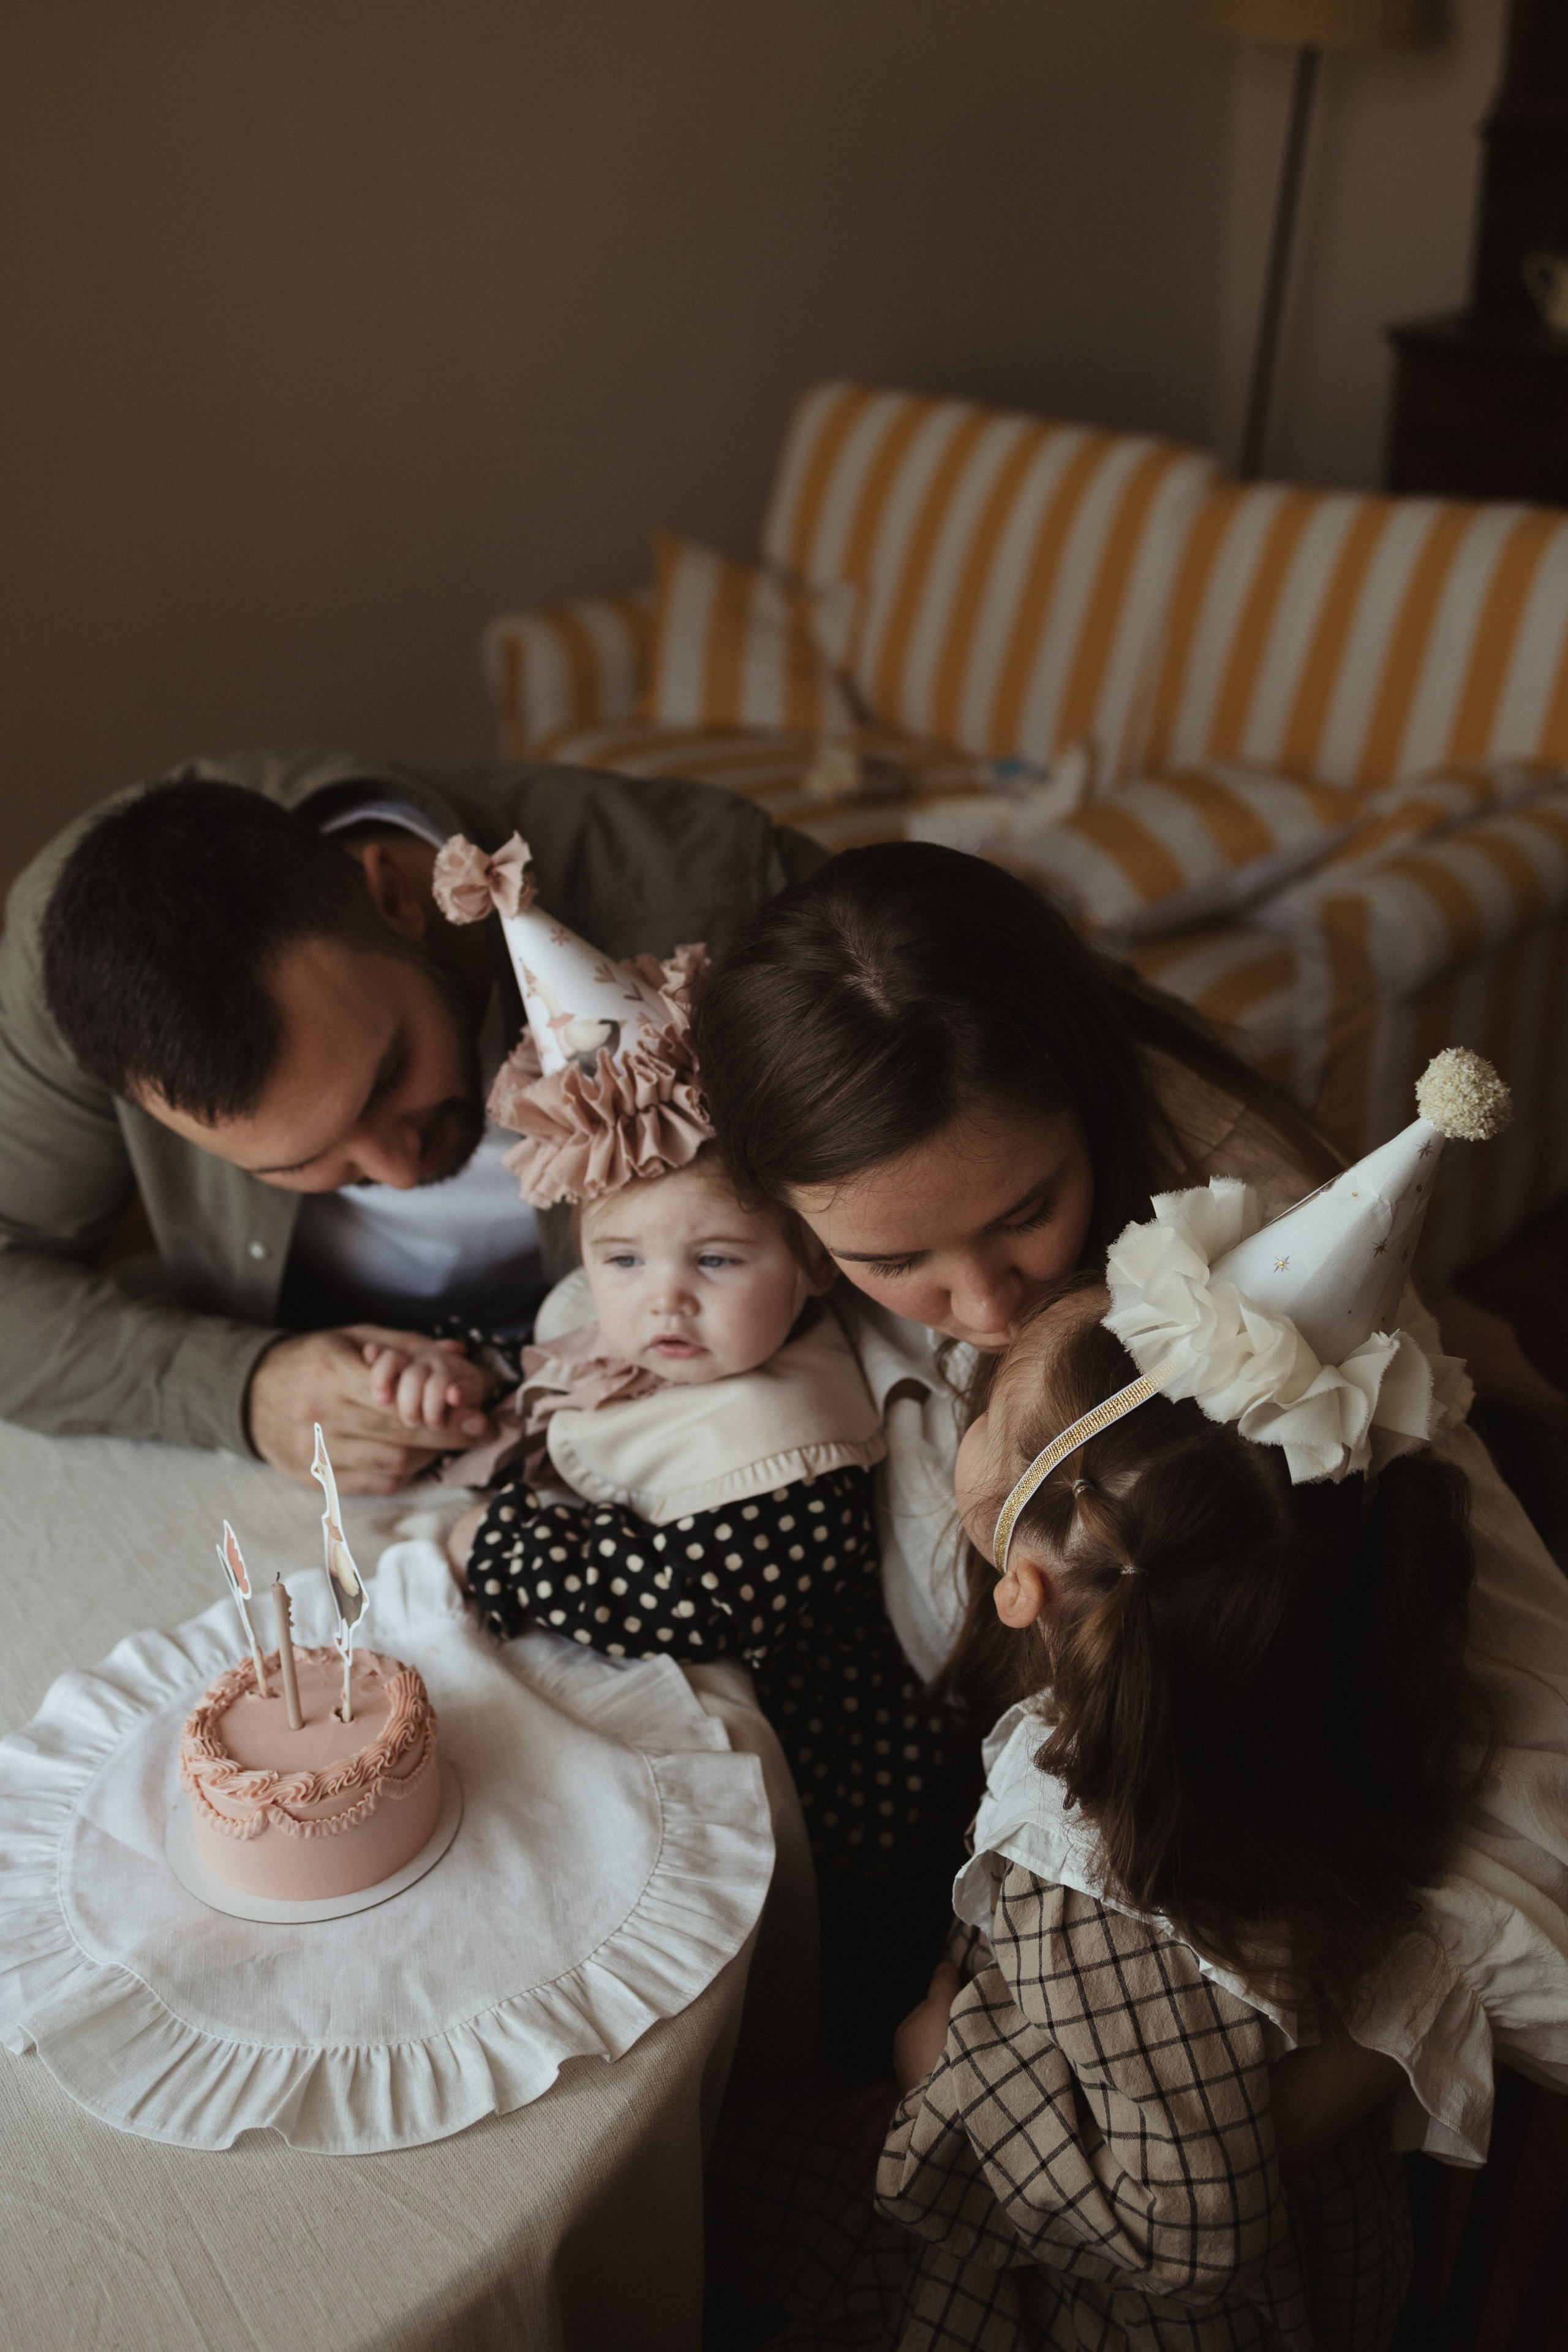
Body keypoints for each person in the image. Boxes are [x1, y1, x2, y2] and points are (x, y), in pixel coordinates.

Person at [710, 1066, 1568, 2347]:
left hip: (1079, 2301)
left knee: (712, 2191)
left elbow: (1183, 2231)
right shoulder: (1318, 1701)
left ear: (1023, 1587)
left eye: (984, 1406)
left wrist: (936, 2064)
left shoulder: (1096, 1887)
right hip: (1268, 2181)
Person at [361, 833, 966, 2070]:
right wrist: (458, 1383)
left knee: (805, 1999)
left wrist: (506, 1552)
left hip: (833, 1797)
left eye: (716, 1262)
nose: (661, 1306)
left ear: (807, 1265)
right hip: (668, 1709)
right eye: (622, 1261)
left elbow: (688, 1593)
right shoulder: (617, 1320)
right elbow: (561, 1374)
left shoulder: (794, 1438)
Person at [691, 842, 1568, 1685]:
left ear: (1087, 1099)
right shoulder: (729, 1204)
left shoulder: (1248, 1209)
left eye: (1029, 1213)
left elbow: (1504, 1627)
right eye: (893, 1260)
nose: (991, 1309)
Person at [1, 748, 823, 1490]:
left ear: (394, 898)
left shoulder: (728, 892)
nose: (398, 1173)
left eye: (387, 1077)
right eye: (297, 1164)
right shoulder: (73, 969)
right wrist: (247, 1389)